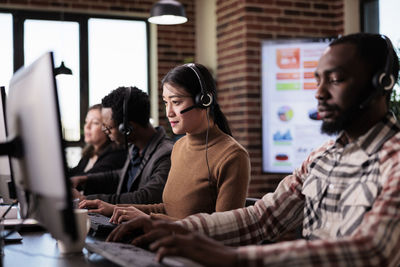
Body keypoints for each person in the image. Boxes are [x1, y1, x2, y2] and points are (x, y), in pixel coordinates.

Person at [107, 33, 400, 266]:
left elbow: (372, 251)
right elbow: (261, 218)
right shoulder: (321, 158)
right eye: (317, 80)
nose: (319, 93)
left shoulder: (395, 160)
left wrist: (232, 258)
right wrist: (174, 230)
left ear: (382, 84)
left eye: (334, 80)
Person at [80, 63, 251, 222]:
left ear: (204, 100)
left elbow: (224, 230)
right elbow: (168, 209)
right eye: (165, 103)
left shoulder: (233, 156)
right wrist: (113, 208)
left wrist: (150, 220)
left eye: (176, 102)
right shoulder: (179, 147)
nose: (168, 112)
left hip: (192, 253)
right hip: (165, 243)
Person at [71, 86, 173, 204]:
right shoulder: (134, 147)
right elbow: (121, 175)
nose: (105, 130)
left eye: (108, 127)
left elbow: (146, 197)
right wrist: (85, 179)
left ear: (128, 128)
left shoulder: (166, 154)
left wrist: (87, 199)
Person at [68, 104, 126, 177]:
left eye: (95, 123)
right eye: (86, 122)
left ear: (107, 126)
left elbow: (82, 179)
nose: (87, 127)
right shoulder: (90, 153)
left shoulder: (116, 155)